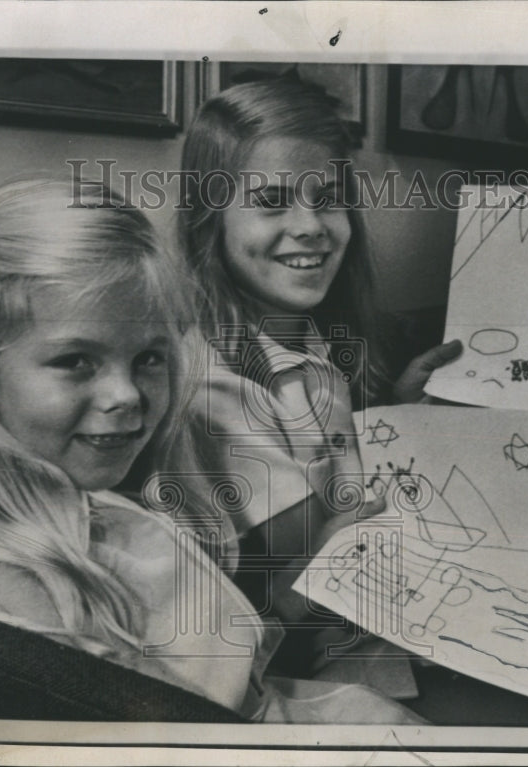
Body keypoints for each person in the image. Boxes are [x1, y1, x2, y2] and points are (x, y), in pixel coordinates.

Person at [0, 177, 421, 724]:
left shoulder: (100, 508)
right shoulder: (13, 582)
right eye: (75, 361)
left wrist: (323, 560)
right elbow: (195, 730)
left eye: (149, 358)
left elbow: (225, 659)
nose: (127, 395)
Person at [178, 78, 463, 637]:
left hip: (385, 626)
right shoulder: (215, 386)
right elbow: (311, 567)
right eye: (271, 202)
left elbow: (348, 497)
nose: (310, 226)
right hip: (317, 664)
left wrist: (401, 420)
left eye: (328, 199)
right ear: (210, 218)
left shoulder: (312, 344)